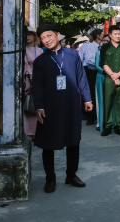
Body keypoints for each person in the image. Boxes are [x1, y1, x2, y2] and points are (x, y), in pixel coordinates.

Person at [32, 24, 92, 193]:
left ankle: (71, 175)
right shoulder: (40, 61)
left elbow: (81, 77)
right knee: (48, 143)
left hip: (71, 105)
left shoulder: (73, 55)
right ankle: (50, 178)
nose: (47, 40)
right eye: (43, 38)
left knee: (73, 141)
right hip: (50, 107)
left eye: (49, 36)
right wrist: (39, 107)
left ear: (58, 35)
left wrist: (87, 99)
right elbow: (36, 86)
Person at [100, 25, 120, 137]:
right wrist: (113, 76)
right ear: (110, 35)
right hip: (109, 79)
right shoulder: (105, 47)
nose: (118, 36)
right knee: (107, 103)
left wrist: (118, 76)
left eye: (119, 34)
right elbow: (103, 64)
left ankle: (119, 126)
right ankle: (107, 126)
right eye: (116, 34)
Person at [78, 28, 102, 125]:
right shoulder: (88, 47)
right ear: (97, 36)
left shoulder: (103, 46)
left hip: (101, 72)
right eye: (102, 35)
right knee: (91, 93)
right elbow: (88, 60)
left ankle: (99, 116)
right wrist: (99, 64)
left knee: (100, 94)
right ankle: (90, 117)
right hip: (91, 71)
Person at [23, 28, 44, 140]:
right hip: (27, 80)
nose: (28, 37)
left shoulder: (40, 51)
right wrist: (30, 75)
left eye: (30, 35)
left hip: (38, 80)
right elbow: (25, 65)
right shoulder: (23, 50)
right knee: (27, 105)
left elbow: (43, 66)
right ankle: (27, 132)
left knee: (37, 104)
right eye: (26, 35)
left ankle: (37, 131)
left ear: (35, 37)